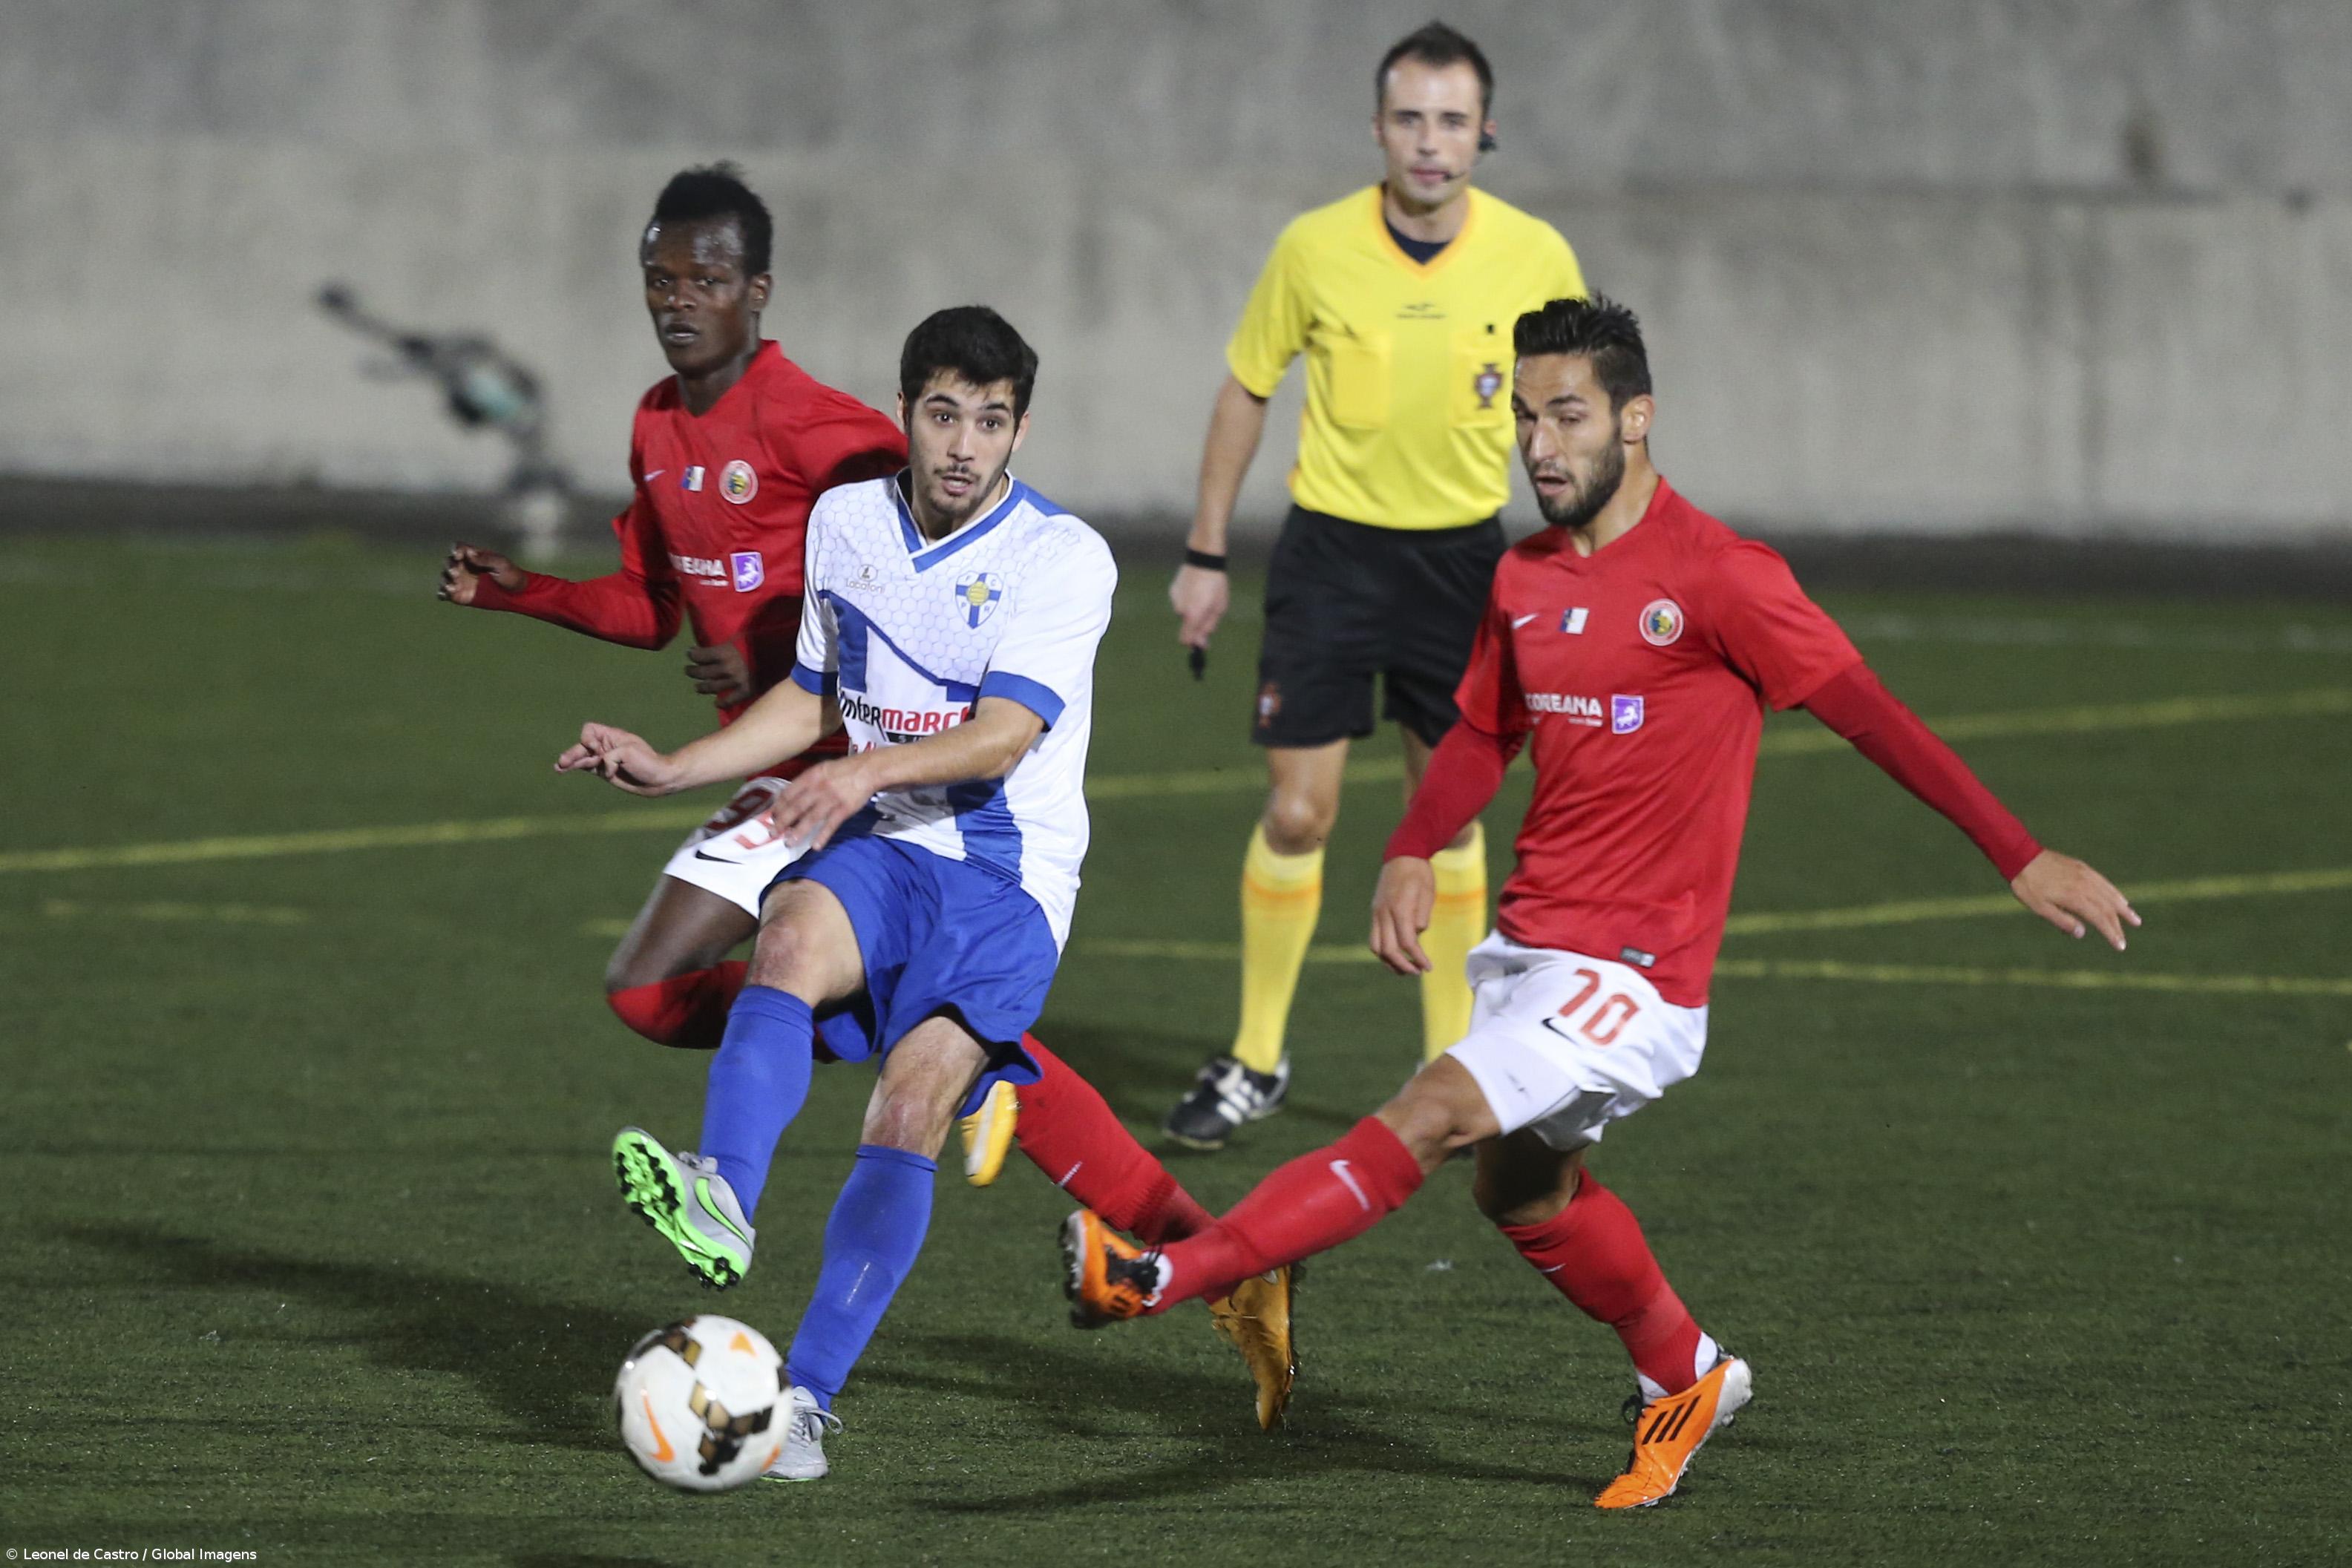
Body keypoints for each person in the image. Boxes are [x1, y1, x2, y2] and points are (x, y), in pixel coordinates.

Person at [1063, 296, 2139, 1509]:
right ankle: (1683, 1371)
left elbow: (1872, 716)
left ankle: (1167, 1275)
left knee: (1429, 1109)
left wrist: (2018, 852)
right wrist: (1415, 844)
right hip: (1534, 948)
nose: (1538, 443)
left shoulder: (1723, 576)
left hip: (1635, 973)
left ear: (1636, 418)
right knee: (1518, 1190)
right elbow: (1481, 730)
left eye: (1566, 415)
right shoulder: (1519, 575)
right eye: (1523, 416)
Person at [560, 307, 1292, 1480]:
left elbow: (1002, 737)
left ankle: (803, 1401)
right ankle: (723, 1197)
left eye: (990, 421)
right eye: (943, 413)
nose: (963, 444)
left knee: (907, 1107)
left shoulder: (1062, 557)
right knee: (788, 936)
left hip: (1006, 876)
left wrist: (857, 771)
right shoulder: (847, 521)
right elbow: (811, 695)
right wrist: (671, 765)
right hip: (894, 839)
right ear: (905, 411)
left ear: (1020, 429)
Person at [1162, 22, 1588, 1149]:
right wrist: (1206, 553)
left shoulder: (1535, 255)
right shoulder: (1312, 247)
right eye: (1410, 118)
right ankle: (1256, 1056)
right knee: (1299, 810)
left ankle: (1452, 1062)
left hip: (1463, 565)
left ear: (1483, 131)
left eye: (1452, 120)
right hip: (1329, 558)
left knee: (1447, 813)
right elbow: (1246, 388)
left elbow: (1573, 404)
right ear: (1377, 129)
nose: (1431, 142)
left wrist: (1593, 547)